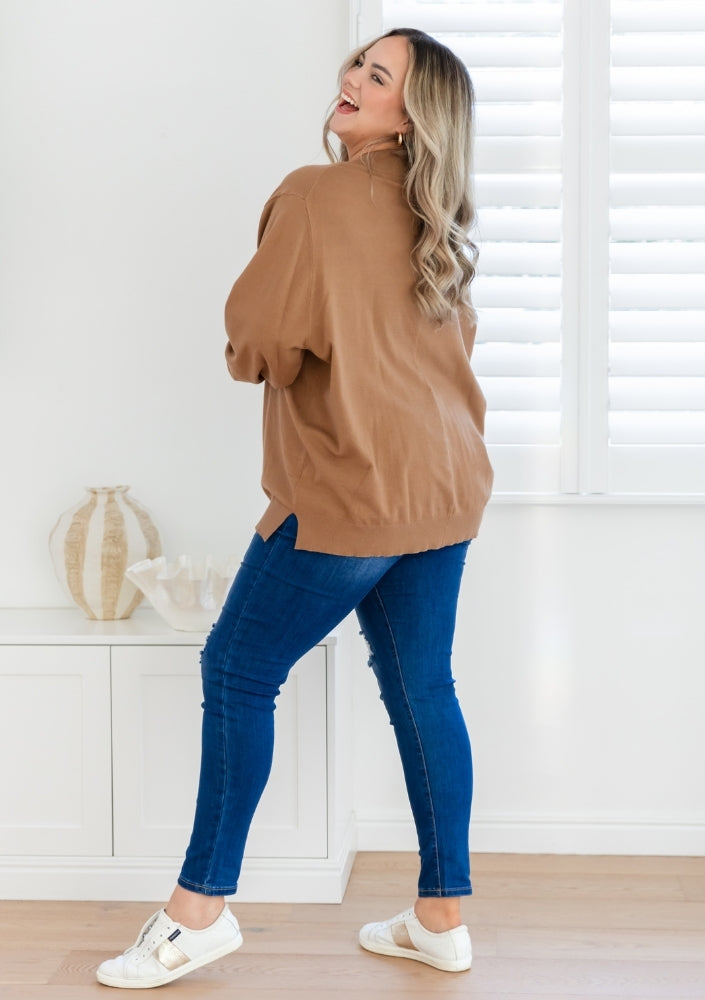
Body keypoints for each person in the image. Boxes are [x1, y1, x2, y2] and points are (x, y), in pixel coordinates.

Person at [96, 26, 493, 989]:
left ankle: (198, 914)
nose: (351, 78)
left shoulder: (313, 196)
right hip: (446, 488)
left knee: (237, 668)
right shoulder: (434, 219)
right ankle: (440, 919)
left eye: (378, 75)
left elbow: (255, 343)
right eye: (358, 62)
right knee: (423, 688)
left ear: (411, 115)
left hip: (351, 492)